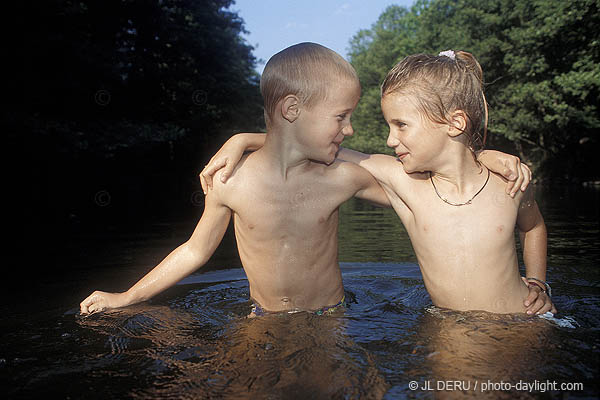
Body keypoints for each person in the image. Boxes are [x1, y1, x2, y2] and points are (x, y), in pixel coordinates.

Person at [200, 48, 555, 315]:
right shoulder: (407, 185)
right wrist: (243, 139)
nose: (389, 139)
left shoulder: (508, 182)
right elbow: (308, 145)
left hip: (528, 322)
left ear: (455, 123)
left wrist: (538, 282)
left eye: (401, 125)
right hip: (449, 326)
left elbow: (534, 226)